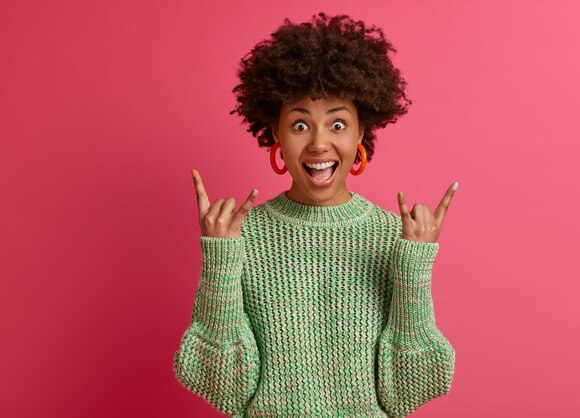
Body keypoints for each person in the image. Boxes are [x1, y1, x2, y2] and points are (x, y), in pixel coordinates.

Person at [173, 12, 458, 418]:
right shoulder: (240, 237)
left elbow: (408, 393)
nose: (320, 144)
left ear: (362, 131)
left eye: (338, 123)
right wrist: (220, 259)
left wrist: (415, 267)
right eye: (301, 125)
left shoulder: (393, 236)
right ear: (275, 132)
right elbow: (225, 389)